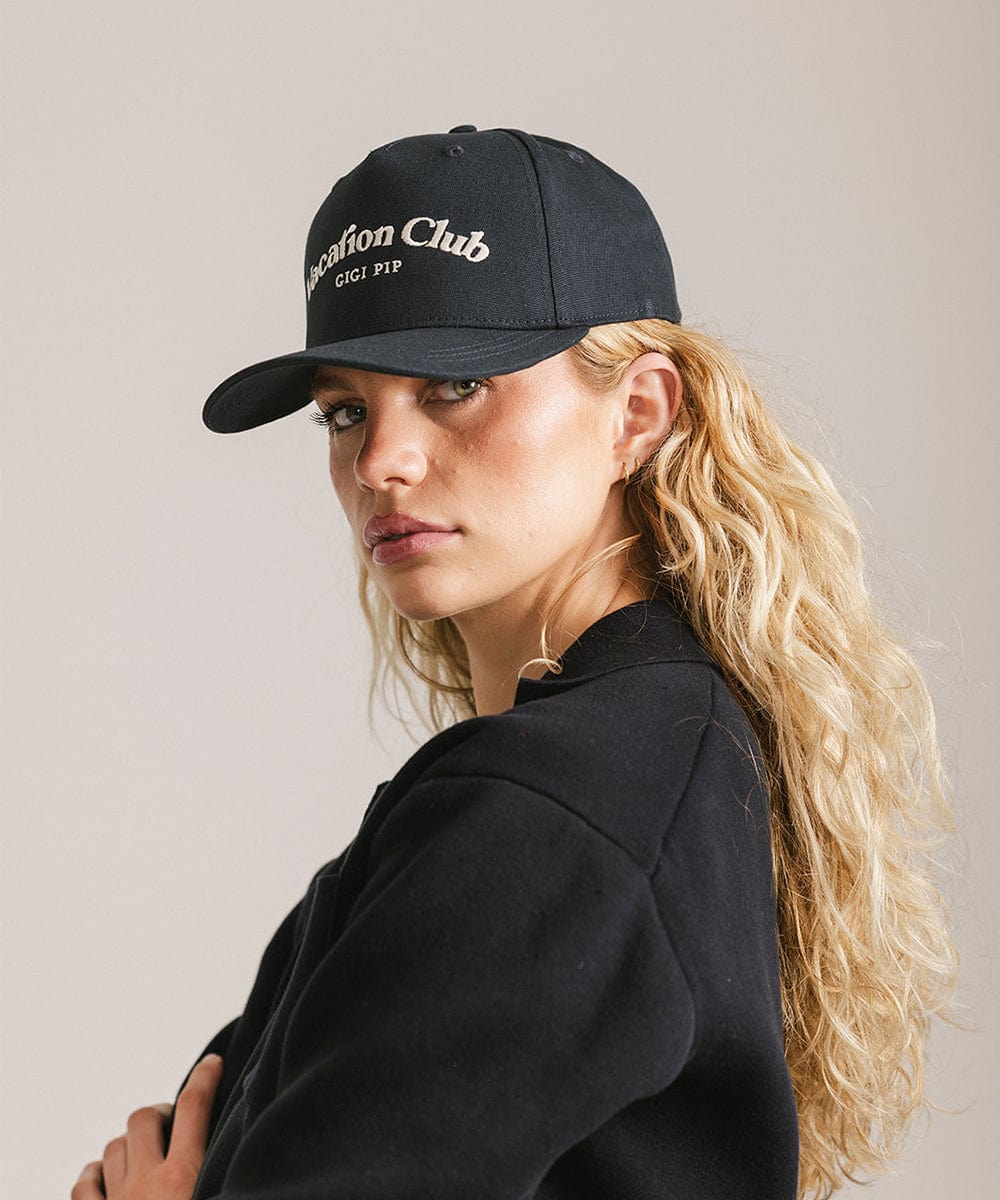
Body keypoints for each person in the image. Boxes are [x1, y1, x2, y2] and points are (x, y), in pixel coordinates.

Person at [72, 125, 962, 1200]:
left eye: (455, 389)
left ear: (637, 412)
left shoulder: (552, 806)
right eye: (347, 411)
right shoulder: (652, 748)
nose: (381, 463)